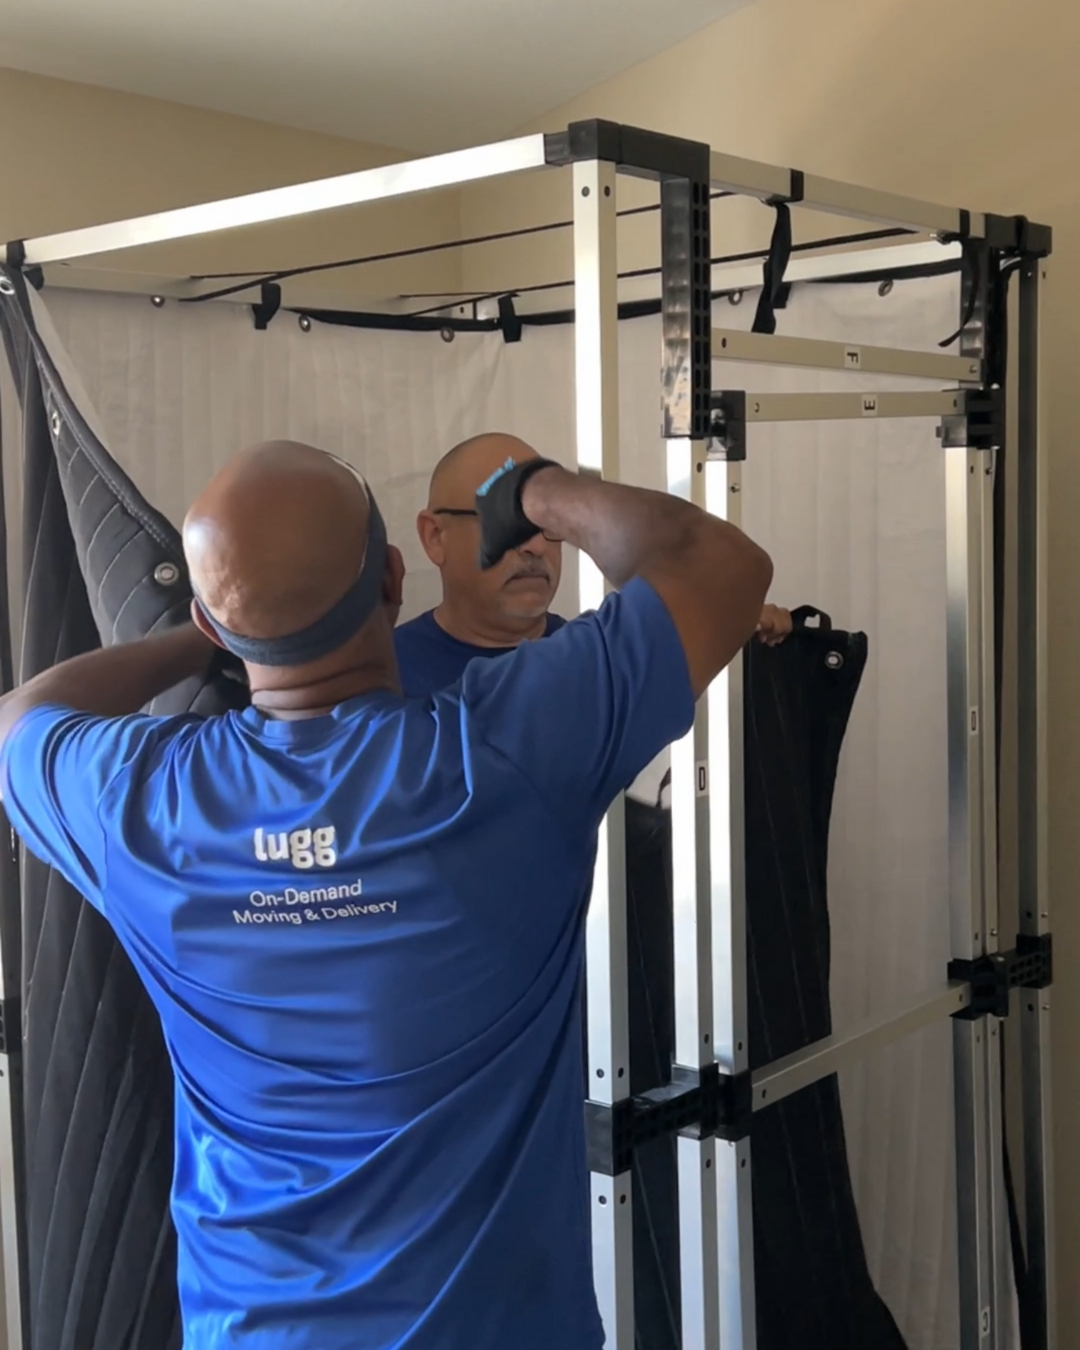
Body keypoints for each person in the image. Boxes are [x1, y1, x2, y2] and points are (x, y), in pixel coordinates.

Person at [0, 438, 772, 1350]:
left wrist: (200, 634)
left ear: (218, 619)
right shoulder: (501, 752)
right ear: (397, 576)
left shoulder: (142, 806)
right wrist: (534, 490)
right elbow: (721, 564)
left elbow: (23, 717)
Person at [397, 431, 791, 702]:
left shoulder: (592, 667)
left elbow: (726, 570)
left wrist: (729, 617)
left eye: (547, 522)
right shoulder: (380, 688)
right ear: (435, 536)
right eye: (506, 522)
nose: (535, 545)